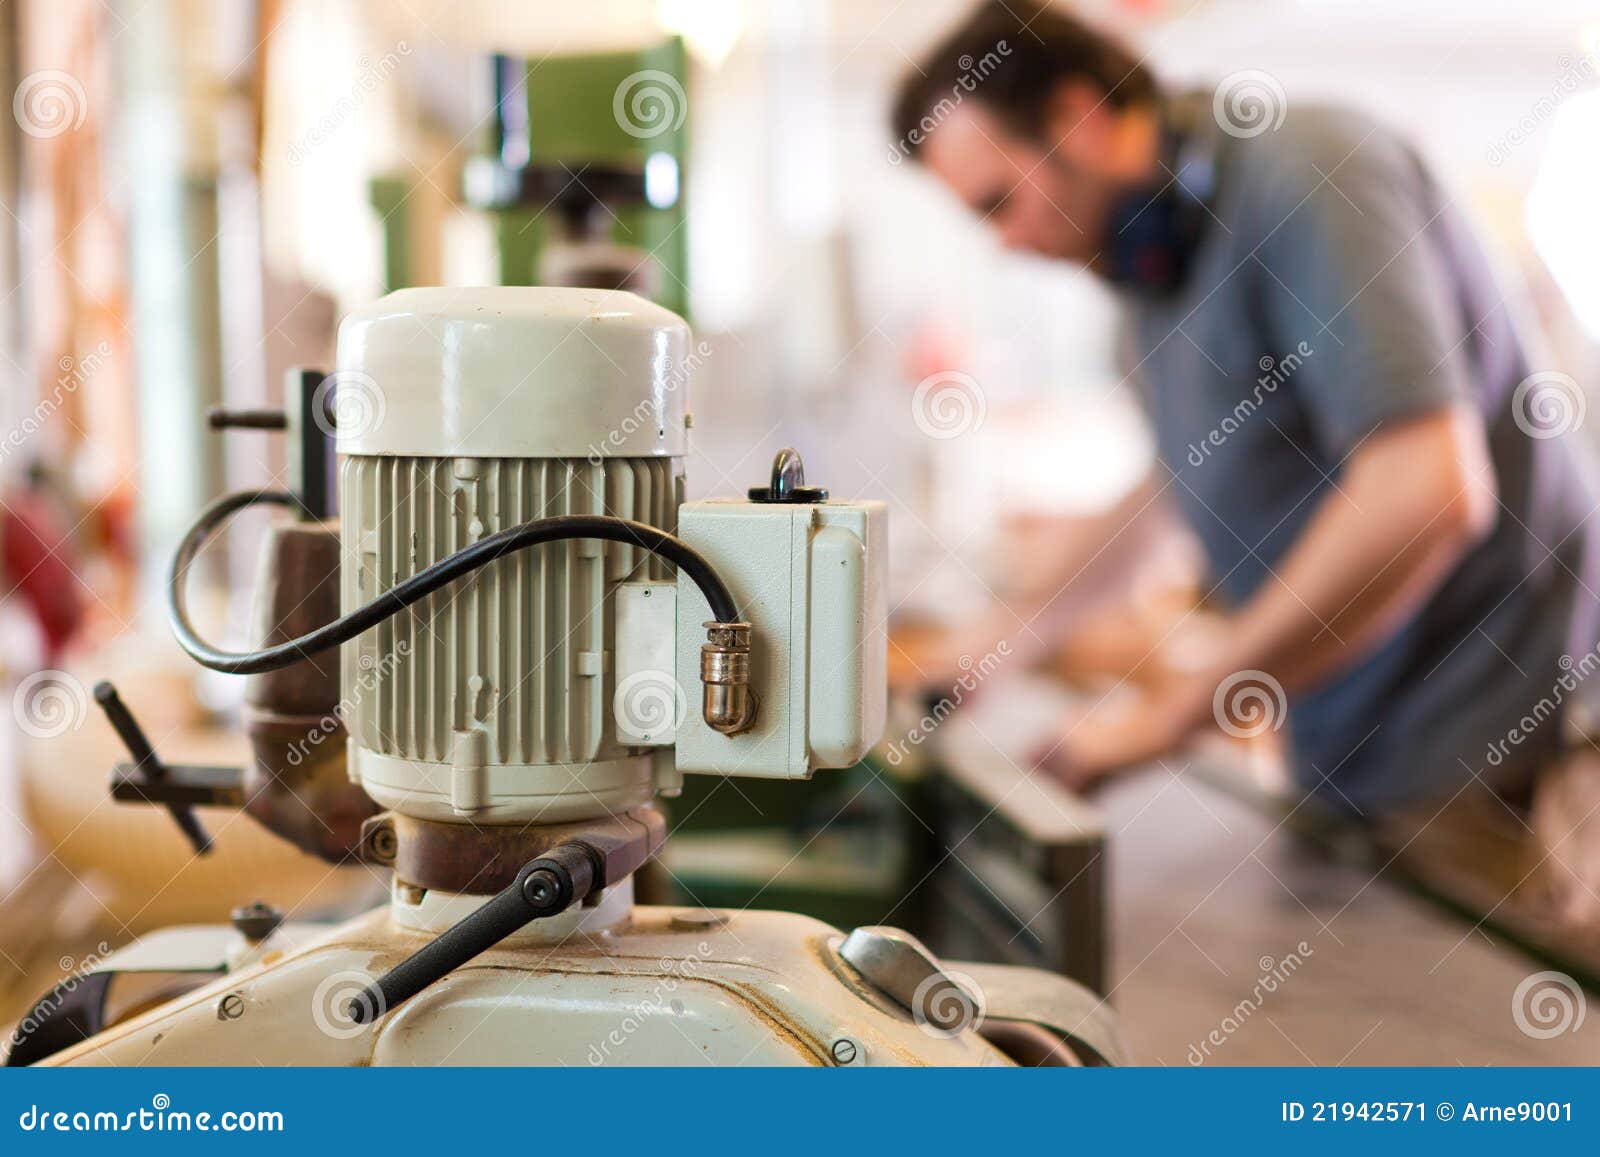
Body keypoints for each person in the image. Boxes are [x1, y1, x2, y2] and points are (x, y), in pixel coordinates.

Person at [891, 2, 1600, 921]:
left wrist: (1176, 712)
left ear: (1077, 117)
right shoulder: (1147, 289)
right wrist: (1003, 638)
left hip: (1507, 765)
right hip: (1361, 774)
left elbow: (1427, 490)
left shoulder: (1307, 172)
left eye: (1000, 201)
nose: (1006, 242)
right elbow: (1176, 495)